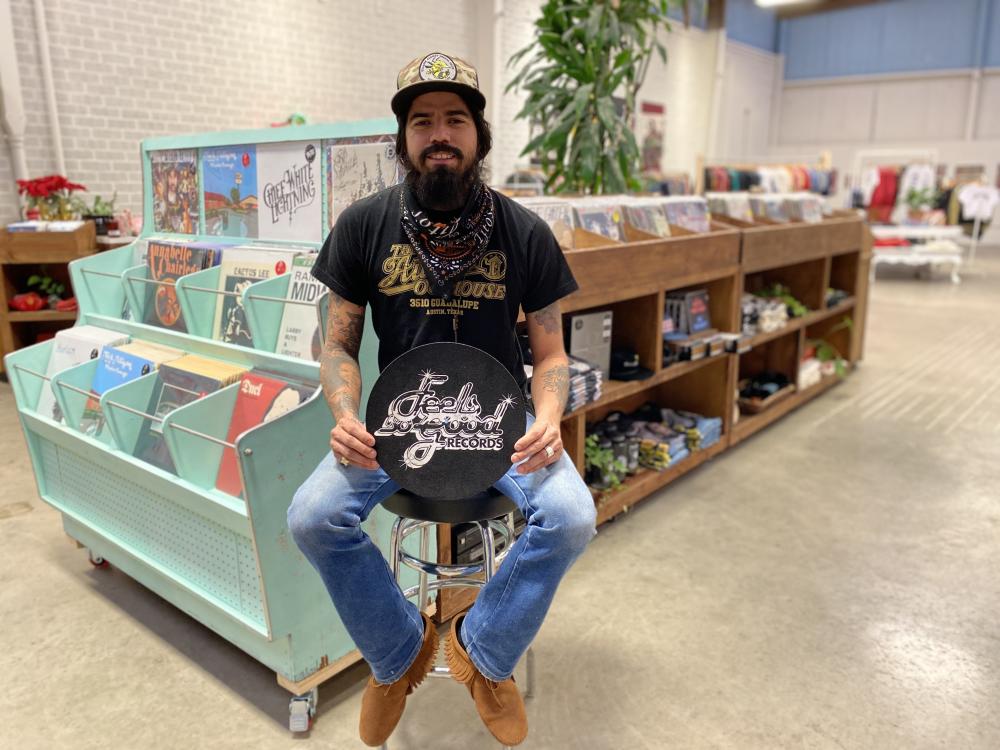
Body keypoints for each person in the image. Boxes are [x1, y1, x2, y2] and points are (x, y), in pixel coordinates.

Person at [287, 52, 596, 748]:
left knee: (573, 516)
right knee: (312, 516)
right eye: (422, 121)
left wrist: (547, 417)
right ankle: (397, 657)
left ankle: (482, 652)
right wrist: (343, 415)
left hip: (502, 418)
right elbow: (335, 345)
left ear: (479, 137)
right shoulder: (364, 224)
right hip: (400, 421)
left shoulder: (524, 231)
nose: (440, 134)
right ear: (402, 142)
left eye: (455, 119)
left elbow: (549, 351)